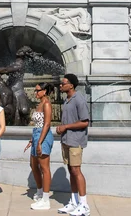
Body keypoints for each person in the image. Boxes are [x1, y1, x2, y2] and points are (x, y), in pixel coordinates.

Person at [56, 74, 90, 216]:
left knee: (76, 170)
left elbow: (85, 122)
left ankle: (84, 205)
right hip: (66, 140)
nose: (60, 85)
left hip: (76, 140)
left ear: (71, 85)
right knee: (71, 170)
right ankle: (74, 201)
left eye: (63, 83)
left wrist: (66, 127)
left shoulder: (79, 100)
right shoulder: (67, 100)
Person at [25, 82, 55, 210]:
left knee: (44, 168)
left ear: (44, 91)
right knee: (33, 165)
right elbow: (38, 125)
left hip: (44, 136)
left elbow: (47, 124)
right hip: (37, 135)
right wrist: (32, 140)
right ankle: (40, 191)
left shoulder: (47, 104)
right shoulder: (40, 103)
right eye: (35, 90)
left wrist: (40, 142)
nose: (35, 92)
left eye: (38, 90)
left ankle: (46, 200)